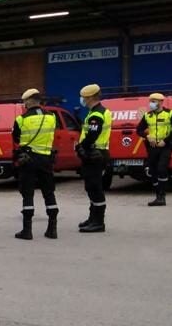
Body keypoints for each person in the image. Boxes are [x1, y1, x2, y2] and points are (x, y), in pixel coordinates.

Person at [11, 89, 59, 240]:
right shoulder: (52, 117)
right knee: (49, 192)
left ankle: (27, 230)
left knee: (27, 193)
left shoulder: (21, 119)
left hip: (28, 159)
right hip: (46, 159)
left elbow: (16, 138)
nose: (24, 103)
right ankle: (52, 229)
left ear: (30, 101)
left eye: (25, 101)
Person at [76, 84, 112, 233]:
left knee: (95, 188)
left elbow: (92, 135)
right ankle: (92, 218)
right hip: (96, 153)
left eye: (83, 98)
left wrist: (81, 146)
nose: (82, 100)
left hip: (95, 154)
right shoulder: (100, 112)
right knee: (91, 187)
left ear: (90, 98)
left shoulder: (96, 114)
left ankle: (98, 222)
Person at [136, 93, 172, 207]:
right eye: (150, 101)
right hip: (152, 147)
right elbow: (139, 130)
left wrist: (165, 141)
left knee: (162, 168)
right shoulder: (147, 116)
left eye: (154, 101)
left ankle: (162, 196)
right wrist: (147, 136)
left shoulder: (170, 114)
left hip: (166, 146)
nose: (151, 103)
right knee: (152, 171)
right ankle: (158, 195)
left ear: (161, 102)